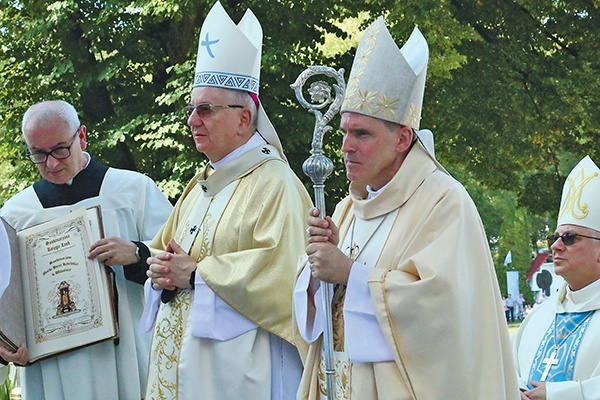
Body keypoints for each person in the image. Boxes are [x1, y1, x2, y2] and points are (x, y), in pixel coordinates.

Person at [293, 17, 519, 399]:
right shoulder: (350, 206)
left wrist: (348, 271)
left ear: (402, 139)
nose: (346, 146)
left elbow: (442, 309)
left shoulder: (443, 200)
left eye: (362, 134)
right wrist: (317, 270)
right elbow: (318, 319)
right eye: (344, 132)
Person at [139, 2, 313, 399]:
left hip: (241, 369)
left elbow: (283, 273)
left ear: (243, 118)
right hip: (186, 362)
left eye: (205, 109)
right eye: (191, 109)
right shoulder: (200, 182)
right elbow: (163, 250)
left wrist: (197, 274)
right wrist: (159, 268)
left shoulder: (275, 183)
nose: (191, 121)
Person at [0, 100, 173, 399]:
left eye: (59, 149)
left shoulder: (133, 191)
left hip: (126, 353)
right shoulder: (16, 214)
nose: (51, 163)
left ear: (81, 136)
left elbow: (180, 264)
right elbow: (5, 298)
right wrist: (9, 347)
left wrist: (137, 253)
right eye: (38, 154)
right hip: (52, 365)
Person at [512, 155, 600, 399]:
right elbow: (505, 368)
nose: (556, 246)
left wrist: (558, 394)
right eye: (555, 237)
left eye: (570, 238)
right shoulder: (539, 315)